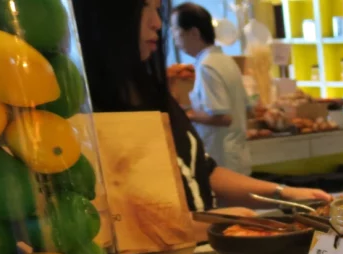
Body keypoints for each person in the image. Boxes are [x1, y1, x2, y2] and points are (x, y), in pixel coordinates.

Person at [72, 0, 329, 212]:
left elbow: (202, 170)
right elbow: (129, 216)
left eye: (157, 9)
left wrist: (283, 193)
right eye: (145, 9)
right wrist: (217, 220)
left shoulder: (156, 90)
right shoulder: (82, 110)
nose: (157, 24)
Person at [170, 3, 251, 175]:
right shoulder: (225, 60)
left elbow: (223, 117)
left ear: (194, 33)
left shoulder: (207, 65)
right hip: (236, 156)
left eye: (176, 31)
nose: (174, 38)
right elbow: (247, 107)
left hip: (222, 159)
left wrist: (185, 115)